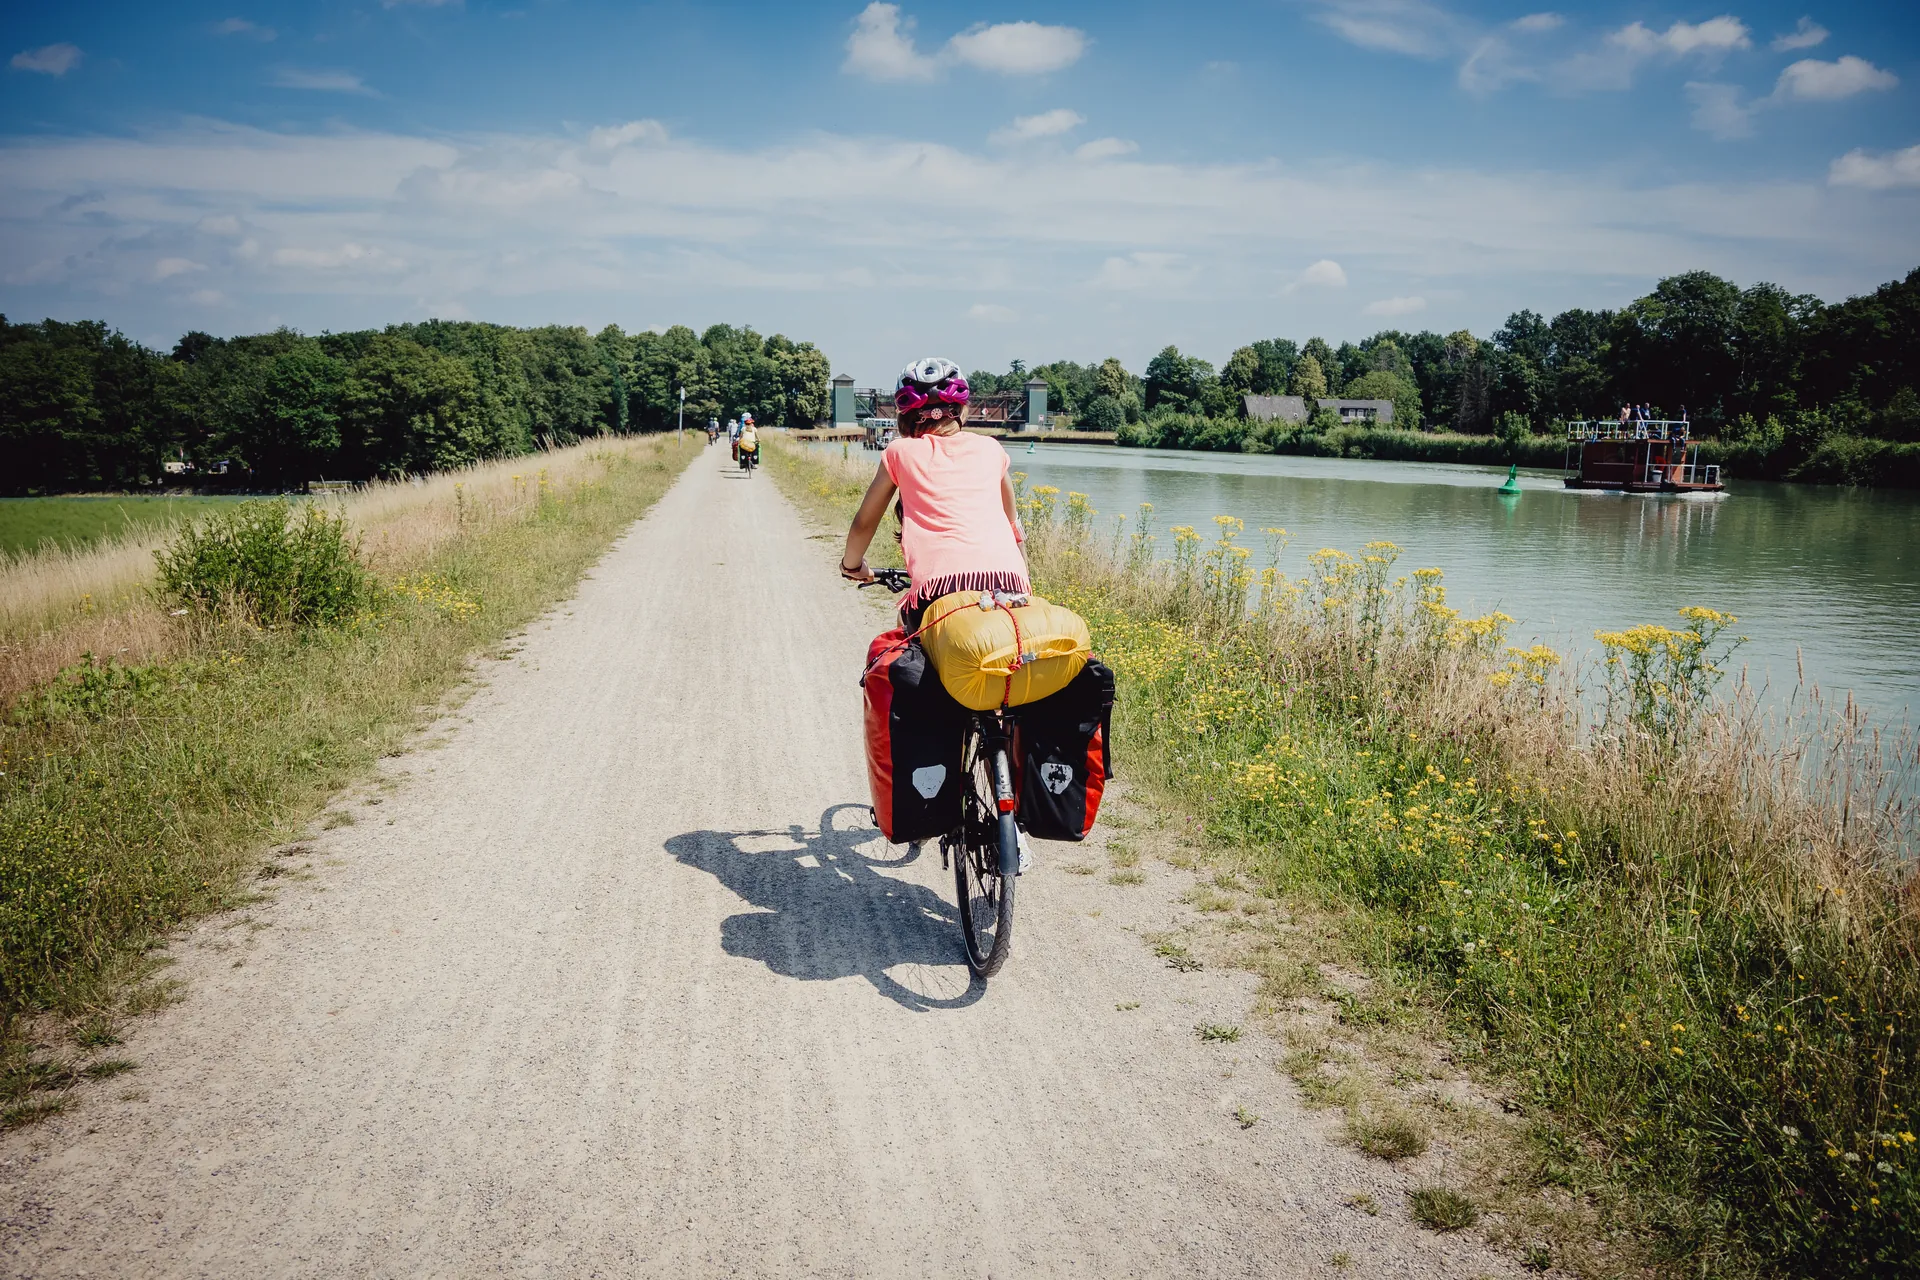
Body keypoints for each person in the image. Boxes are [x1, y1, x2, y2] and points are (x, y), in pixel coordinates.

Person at [840, 357, 1029, 631]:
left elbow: (864, 523)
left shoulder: (899, 452)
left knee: (904, 644)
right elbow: (1014, 527)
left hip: (939, 590)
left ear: (903, 415)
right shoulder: (991, 448)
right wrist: (1024, 580)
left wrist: (852, 566)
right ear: (963, 411)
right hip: (1010, 587)